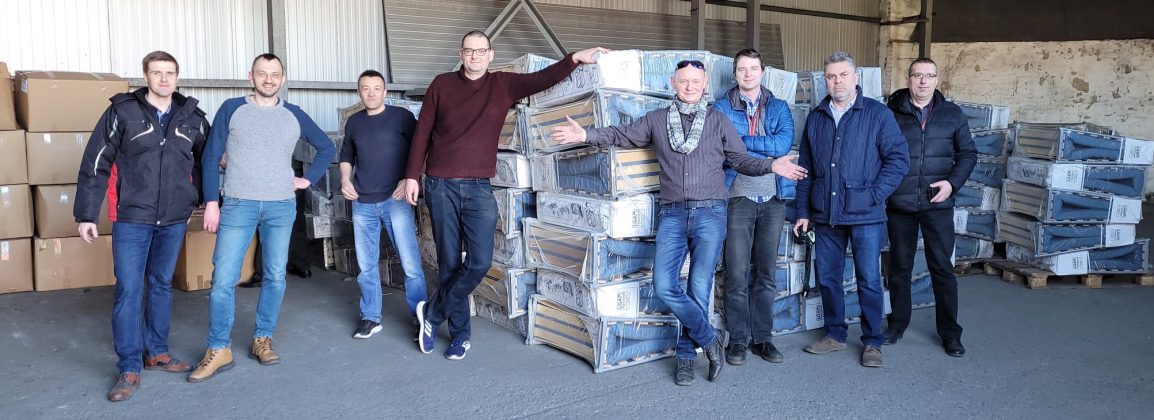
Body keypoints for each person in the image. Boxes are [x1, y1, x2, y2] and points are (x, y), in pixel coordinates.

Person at [551, 59, 808, 385]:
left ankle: (686, 356)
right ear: (673, 82)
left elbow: (741, 159)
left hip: (710, 214)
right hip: (673, 214)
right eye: (684, 81)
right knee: (664, 285)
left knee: (699, 288)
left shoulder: (717, 121)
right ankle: (710, 337)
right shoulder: (657, 120)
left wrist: (772, 166)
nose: (690, 86)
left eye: (696, 81)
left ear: (704, 85)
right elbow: (622, 134)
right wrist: (586, 133)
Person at [403, 30, 607, 361]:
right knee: (449, 262)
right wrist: (412, 176)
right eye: (469, 51)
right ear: (461, 54)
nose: (474, 56)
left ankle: (432, 314)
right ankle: (460, 336)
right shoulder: (442, 84)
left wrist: (574, 58)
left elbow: (542, 79)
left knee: (480, 261)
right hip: (440, 184)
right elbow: (422, 131)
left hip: (479, 187)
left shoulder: (503, 85)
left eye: (480, 51)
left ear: (490, 55)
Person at [188, 53, 336, 382]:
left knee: (275, 276)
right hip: (238, 204)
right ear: (250, 76)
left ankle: (262, 339)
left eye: (274, 74)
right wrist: (211, 202)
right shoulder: (231, 108)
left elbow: (327, 147)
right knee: (223, 279)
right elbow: (211, 156)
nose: (268, 79)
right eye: (261, 73)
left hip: (280, 206)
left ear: (283, 78)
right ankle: (219, 348)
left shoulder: (294, 114)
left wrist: (307, 180)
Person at [74, 51, 209, 401]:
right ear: (145, 76)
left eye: (170, 73)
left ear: (177, 77)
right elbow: (96, 161)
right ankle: (129, 366)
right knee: (129, 289)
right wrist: (86, 214)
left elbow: (205, 160)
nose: (164, 79)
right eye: (156, 72)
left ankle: (157, 352)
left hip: (173, 218)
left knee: (161, 284)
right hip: (132, 217)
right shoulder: (123, 112)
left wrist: (199, 199)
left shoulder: (193, 117)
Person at [793, 52, 909, 368]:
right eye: (831, 76)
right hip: (825, 213)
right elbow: (805, 168)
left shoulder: (877, 114)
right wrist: (803, 211)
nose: (837, 81)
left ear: (855, 77)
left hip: (865, 215)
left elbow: (898, 159)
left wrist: (875, 194)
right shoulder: (817, 117)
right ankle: (835, 334)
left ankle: (872, 341)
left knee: (868, 278)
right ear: (825, 81)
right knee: (828, 278)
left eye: (843, 75)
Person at [884, 57, 976, 357]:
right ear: (908, 79)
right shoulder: (890, 114)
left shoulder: (952, 114)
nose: (923, 81)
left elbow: (968, 154)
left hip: (938, 204)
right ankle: (897, 325)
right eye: (918, 75)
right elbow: (878, 152)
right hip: (900, 204)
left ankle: (950, 333)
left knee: (942, 268)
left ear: (937, 80)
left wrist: (952, 184)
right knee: (899, 268)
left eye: (929, 76)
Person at [712, 49, 796, 366]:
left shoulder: (779, 106)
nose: (748, 74)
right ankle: (738, 340)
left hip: (773, 199)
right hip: (738, 197)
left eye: (753, 68)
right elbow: (724, 146)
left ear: (763, 71)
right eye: (742, 69)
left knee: (766, 273)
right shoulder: (720, 107)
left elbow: (782, 145)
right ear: (735, 74)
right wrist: (761, 148)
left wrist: (742, 141)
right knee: (735, 273)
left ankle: (762, 338)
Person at [339, 69, 428, 339]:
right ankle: (371, 317)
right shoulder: (354, 122)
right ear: (359, 92)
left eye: (376, 88)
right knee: (366, 266)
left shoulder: (402, 117)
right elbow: (346, 156)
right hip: (362, 202)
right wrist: (345, 179)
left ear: (385, 92)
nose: (371, 93)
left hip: (395, 200)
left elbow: (421, 149)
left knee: (410, 264)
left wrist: (410, 178)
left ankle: (421, 318)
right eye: (365, 88)